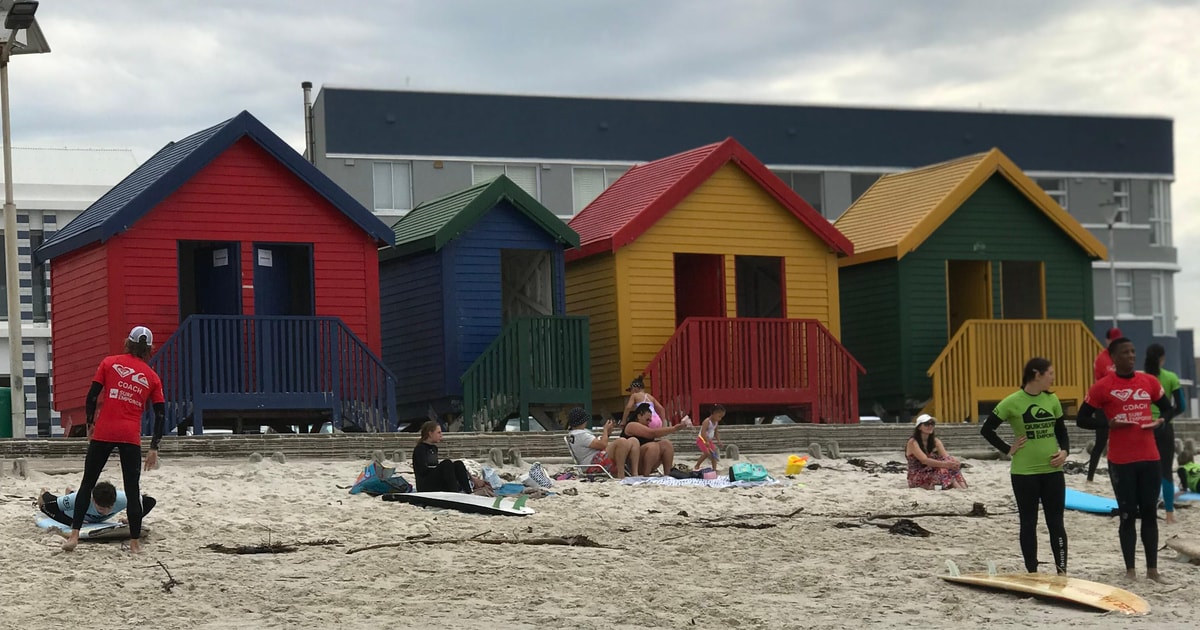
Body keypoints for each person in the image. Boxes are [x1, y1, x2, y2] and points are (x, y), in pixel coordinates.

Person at [1076, 336, 1175, 582]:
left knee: (1150, 513)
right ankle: (1130, 571)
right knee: (1128, 514)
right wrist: (1108, 423)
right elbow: (1081, 419)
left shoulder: (1149, 381)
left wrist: (1161, 421)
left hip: (1150, 457)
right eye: (1125, 353)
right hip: (1121, 460)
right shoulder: (1102, 386)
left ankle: (1153, 571)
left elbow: (1168, 408)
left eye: (1133, 352)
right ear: (1114, 358)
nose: (1131, 356)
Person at [62, 326, 165, 553]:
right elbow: (160, 414)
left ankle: (74, 536)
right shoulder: (152, 377)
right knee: (132, 490)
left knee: (87, 483)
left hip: (105, 431)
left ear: (127, 343)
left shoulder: (109, 363)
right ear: (149, 349)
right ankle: (135, 543)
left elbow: (91, 397)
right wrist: (154, 447)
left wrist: (90, 424)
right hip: (130, 435)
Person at [981, 358, 1070, 574]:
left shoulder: (1052, 399)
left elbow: (1061, 431)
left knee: (1056, 523)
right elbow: (987, 429)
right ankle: (1032, 571)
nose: (1053, 378)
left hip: (1053, 471)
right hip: (1024, 473)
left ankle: (1062, 571)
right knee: (1029, 522)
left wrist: (1065, 451)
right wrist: (1007, 448)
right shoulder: (1012, 401)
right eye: (1050, 373)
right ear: (1036, 374)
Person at [1144, 343, 1184, 524]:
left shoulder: (1141, 378)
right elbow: (1181, 406)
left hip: (1143, 427)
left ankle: (1148, 511)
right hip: (1164, 428)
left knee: (1145, 473)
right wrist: (1166, 417)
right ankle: (1169, 515)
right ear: (1162, 358)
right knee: (1165, 472)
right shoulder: (1171, 377)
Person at [1086, 327, 1123, 482]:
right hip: (1103, 406)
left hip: (1120, 405)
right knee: (1101, 442)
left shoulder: (1121, 356)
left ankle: (1118, 475)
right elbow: (1100, 383)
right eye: (1114, 340)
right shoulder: (1102, 359)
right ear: (1108, 341)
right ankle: (1090, 477)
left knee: (1121, 442)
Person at [412, 420, 489, 494]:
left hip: (436, 482)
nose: (441, 435)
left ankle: (468, 491)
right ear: (430, 433)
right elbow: (423, 471)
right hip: (425, 485)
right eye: (438, 432)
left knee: (458, 464)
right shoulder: (420, 449)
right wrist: (441, 468)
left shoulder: (434, 448)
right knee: (447, 463)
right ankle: (453, 491)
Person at [565, 407, 640, 479]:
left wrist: (607, 433)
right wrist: (605, 430)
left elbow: (597, 443)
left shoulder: (575, 434)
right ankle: (621, 474)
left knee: (633, 440)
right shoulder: (580, 435)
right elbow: (603, 445)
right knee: (621, 441)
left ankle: (635, 474)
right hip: (592, 464)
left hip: (596, 459)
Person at [39, 481, 157, 527]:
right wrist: (70, 521)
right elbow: (46, 508)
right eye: (101, 508)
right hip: (71, 511)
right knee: (47, 500)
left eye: (109, 508)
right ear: (93, 501)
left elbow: (150, 502)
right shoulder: (80, 499)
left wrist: (132, 519)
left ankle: (71, 491)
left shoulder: (122, 498)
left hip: (84, 509)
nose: (105, 512)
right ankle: (44, 492)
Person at [621, 402, 690, 475]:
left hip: (644, 459)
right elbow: (651, 433)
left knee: (666, 444)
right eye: (647, 420)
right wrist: (674, 428)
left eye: (650, 420)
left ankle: (668, 474)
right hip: (632, 463)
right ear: (639, 416)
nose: (649, 422)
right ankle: (646, 475)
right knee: (653, 446)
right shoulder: (631, 425)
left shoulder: (645, 427)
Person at [905, 414, 967, 490]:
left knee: (953, 468)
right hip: (917, 475)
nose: (930, 426)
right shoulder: (913, 442)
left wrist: (954, 462)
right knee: (943, 469)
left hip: (932, 471)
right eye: (927, 424)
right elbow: (925, 461)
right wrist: (946, 464)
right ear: (919, 427)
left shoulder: (935, 441)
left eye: (932, 424)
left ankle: (963, 488)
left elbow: (946, 457)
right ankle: (958, 488)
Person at [693, 404, 725, 471]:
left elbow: (716, 432)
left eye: (721, 417)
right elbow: (703, 432)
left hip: (709, 440)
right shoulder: (707, 421)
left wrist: (719, 441)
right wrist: (706, 441)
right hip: (701, 439)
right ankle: (697, 465)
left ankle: (714, 469)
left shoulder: (716, 422)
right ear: (714, 413)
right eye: (719, 416)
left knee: (714, 454)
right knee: (707, 453)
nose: (720, 419)